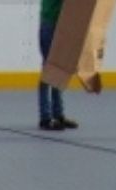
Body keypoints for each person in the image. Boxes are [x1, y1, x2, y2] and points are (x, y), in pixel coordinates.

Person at [38, 0, 79, 131]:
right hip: (50, 24)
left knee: (59, 69)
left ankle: (58, 114)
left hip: (59, 24)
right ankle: (45, 117)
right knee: (49, 69)